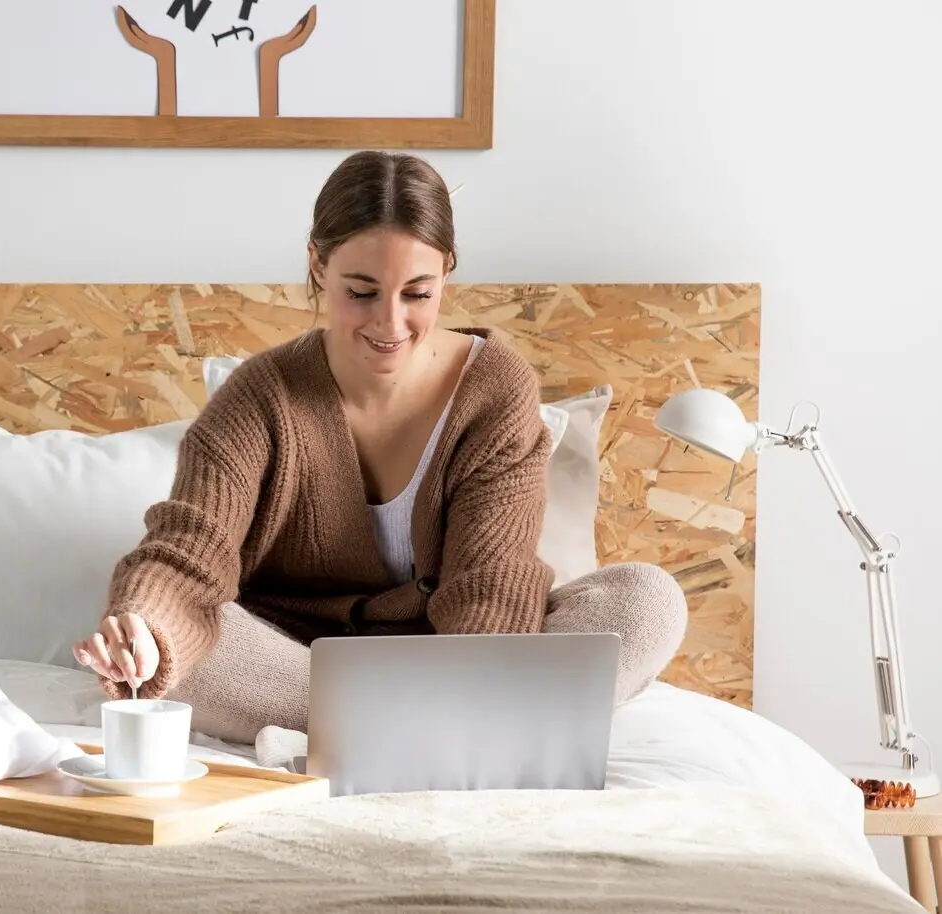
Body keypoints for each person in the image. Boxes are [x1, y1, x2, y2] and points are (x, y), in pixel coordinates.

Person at [72, 150, 688, 746]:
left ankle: (388, 725)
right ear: (317, 264)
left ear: (448, 267)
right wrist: (145, 626)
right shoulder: (261, 395)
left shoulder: (496, 389)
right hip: (294, 656)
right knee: (190, 653)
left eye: (416, 293)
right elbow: (188, 552)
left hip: (456, 659)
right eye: (361, 292)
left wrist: (472, 673)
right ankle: (468, 728)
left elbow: (493, 583)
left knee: (648, 602)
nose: (390, 325)